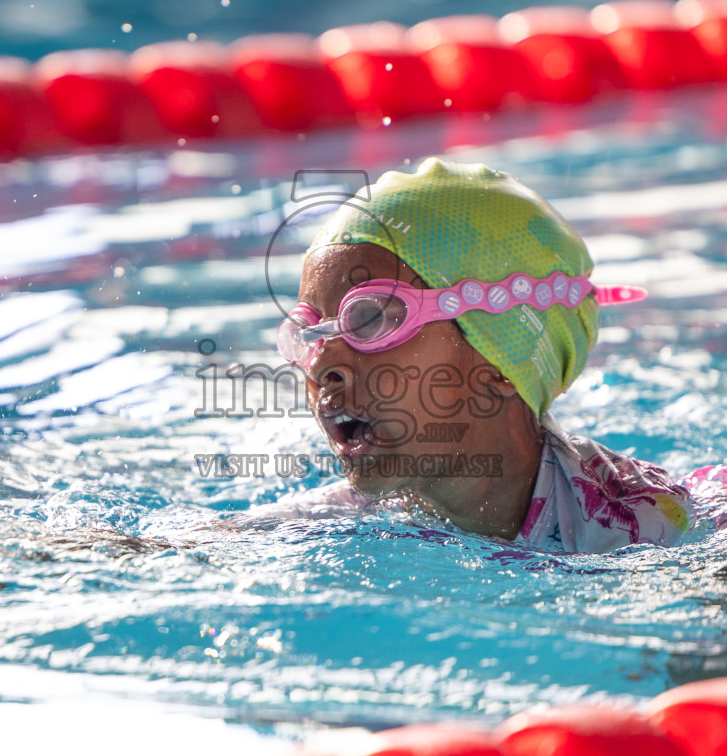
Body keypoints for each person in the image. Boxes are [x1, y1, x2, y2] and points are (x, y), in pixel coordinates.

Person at [264, 157, 693, 554]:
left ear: (503, 361)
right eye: (309, 332)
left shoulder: (644, 528)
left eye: (371, 318)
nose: (321, 365)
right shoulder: (327, 525)